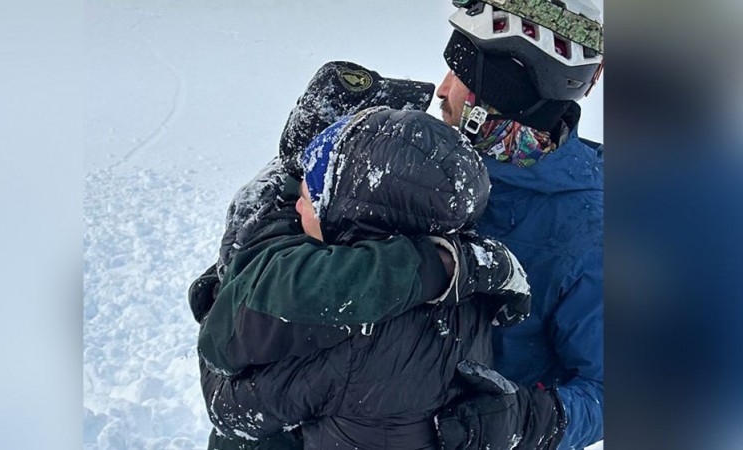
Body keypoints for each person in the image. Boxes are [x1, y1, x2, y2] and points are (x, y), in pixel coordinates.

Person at [189, 62, 529, 449]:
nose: (300, 209)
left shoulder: (357, 339)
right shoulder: (467, 275)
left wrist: (218, 296)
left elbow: (231, 408)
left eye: (307, 199)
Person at [433, 1, 604, 449]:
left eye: (459, 75)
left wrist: (530, 422)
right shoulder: (426, 162)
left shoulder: (590, 230)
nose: (440, 89)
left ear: (498, 96)